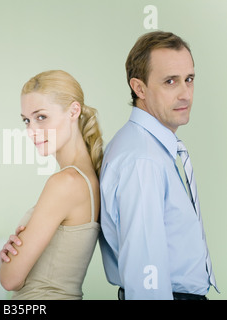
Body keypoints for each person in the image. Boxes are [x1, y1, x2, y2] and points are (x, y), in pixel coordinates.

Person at [99, 31, 219, 300]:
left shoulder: (147, 147)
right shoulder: (143, 160)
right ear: (139, 88)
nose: (185, 94)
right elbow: (146, 272)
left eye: (189, 79)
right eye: (170, 82)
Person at [0, 70, 103, 300]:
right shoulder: (87, 178)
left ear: (73, 111)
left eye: (41, 117)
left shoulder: (65, 183)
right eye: (26, 120)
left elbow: (10, 279)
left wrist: (6, 261)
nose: (31, 131)